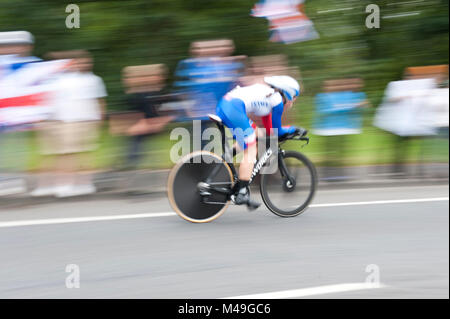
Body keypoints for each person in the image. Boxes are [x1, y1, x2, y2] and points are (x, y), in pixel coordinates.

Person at [216, 75, 303, 208]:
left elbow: (271, 130)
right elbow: (278, 131)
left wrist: (281, 133)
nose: (293, 102)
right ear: (288, 93)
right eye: (294, 98)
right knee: (251, 149)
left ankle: (227, 156)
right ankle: (242, 193)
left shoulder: (268, 96)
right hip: (233, 109)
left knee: (257, 134)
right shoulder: (277, 100)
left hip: (227, 106)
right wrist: (293, 130)